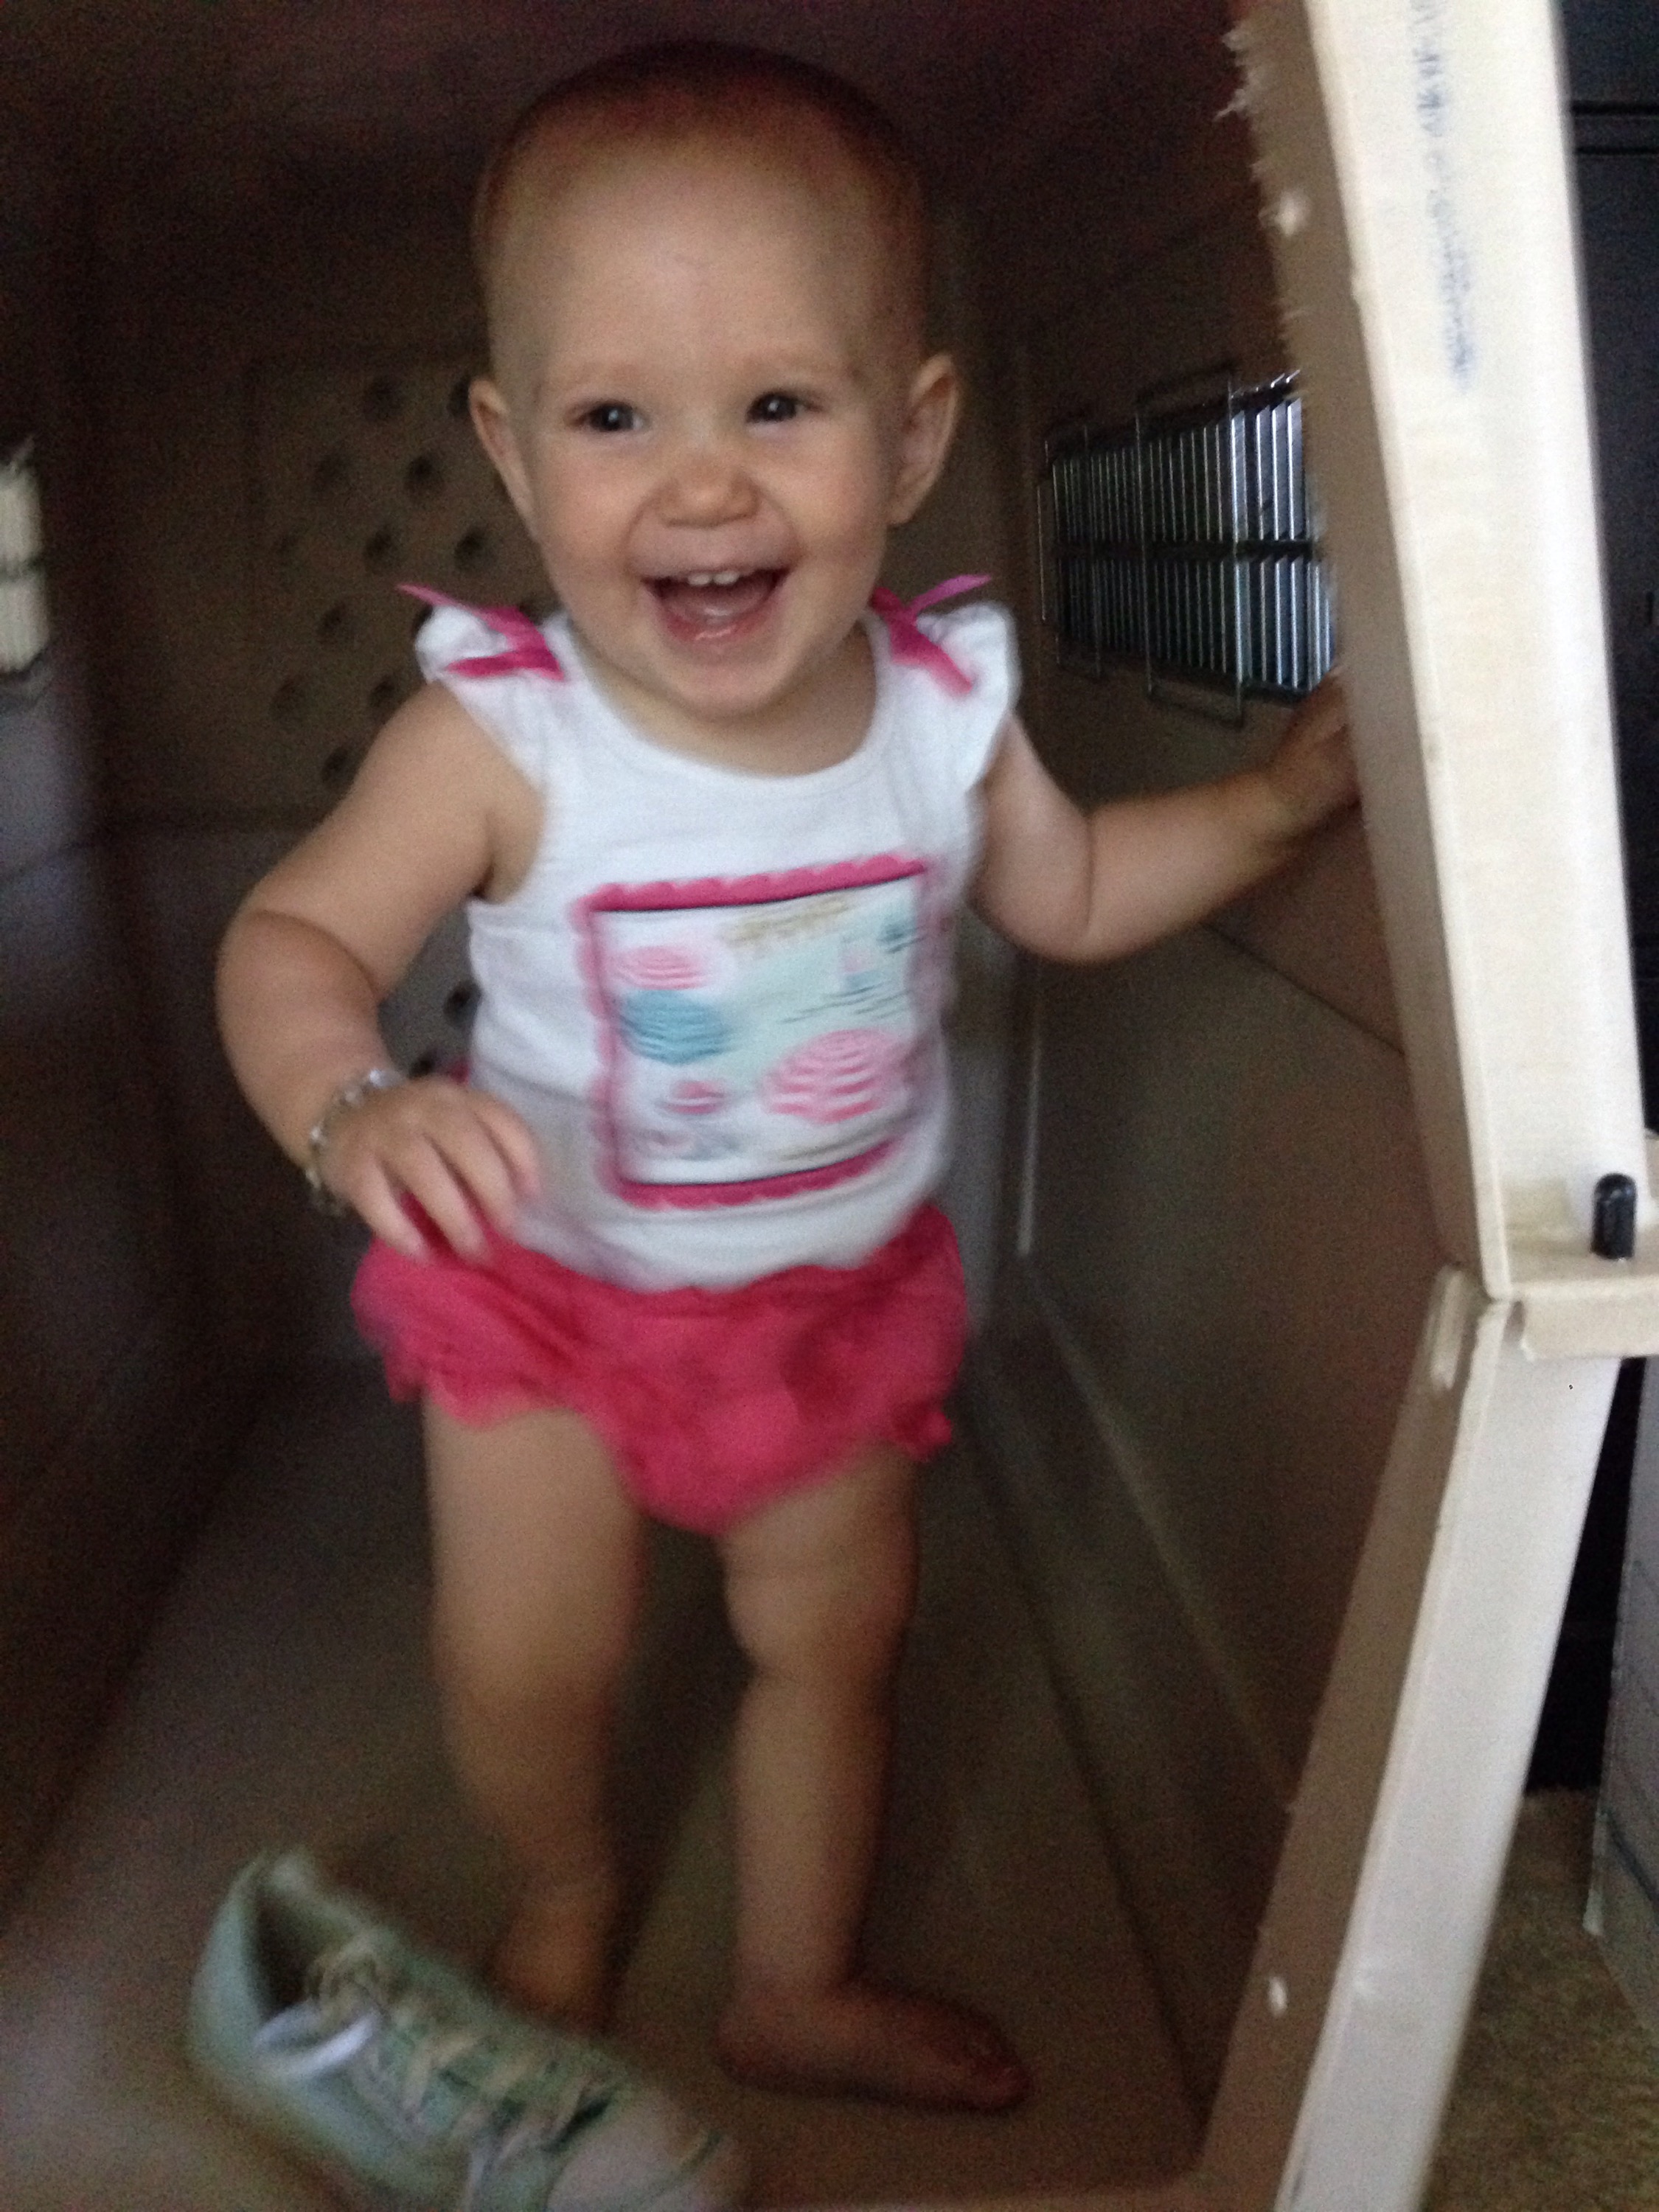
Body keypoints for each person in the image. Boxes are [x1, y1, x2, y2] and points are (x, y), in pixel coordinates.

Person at [216, 40, 1357, 2114]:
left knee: (832, 1653)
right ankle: (566, 1889)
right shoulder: (501, 741)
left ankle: (792, 1984)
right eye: (614, 418)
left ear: (913, 435)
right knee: (530, 1665)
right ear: (510, 449)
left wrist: (1271, 807)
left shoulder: (941, 713)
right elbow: (291, 942)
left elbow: (1081, 888)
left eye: (776, 407)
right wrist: (349, 1102)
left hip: (829, 1305)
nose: (703, 487)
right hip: (547, 1292)